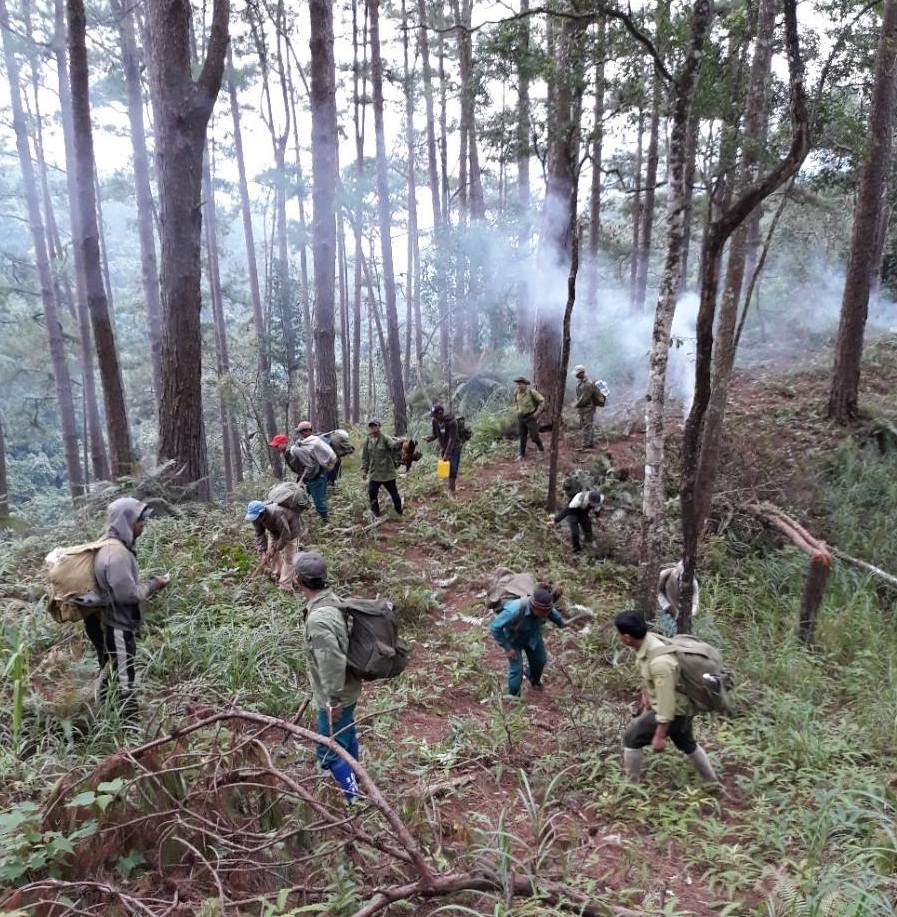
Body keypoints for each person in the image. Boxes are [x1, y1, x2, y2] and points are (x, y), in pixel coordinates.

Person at [613, 611, 719, 787]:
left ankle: (631, 787)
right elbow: (647, 675)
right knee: (687, 743)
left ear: (627, 637)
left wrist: (660, 735)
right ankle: (713, 783)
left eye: (619, 634)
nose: (618, 637)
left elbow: (667, 704)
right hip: (681, 707)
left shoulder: (661, 664)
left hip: (675, 711)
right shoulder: (648, 641)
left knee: (631, 739)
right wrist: (646, 694)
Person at [293, 551, 362, 804]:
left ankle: (354, 798)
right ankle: (356, 777)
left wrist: (333, 701)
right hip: (348, 688)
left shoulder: (319, 619)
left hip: (335, 695)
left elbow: (330, 662)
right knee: (347, 735)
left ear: (298, 580)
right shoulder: (331, 600)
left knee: (329, 752)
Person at [94, 497, 171, 719]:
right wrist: (156, 584)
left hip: (115, 622)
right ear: (124, 521)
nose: (142, 525)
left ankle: (106, 715)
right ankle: (129, 727)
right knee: (124, 677)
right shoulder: (116, 554)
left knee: (115, 670)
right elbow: (127, 594)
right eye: (139, 520)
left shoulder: (112, 546)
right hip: (117, 625)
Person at [490, 585, 566, 697]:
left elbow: (552, 613)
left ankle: (533, 679)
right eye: (542, 613)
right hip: (513, 640)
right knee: (516, 670)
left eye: (546, 612)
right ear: (533, 606)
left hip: (534, 638)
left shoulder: (546, 608)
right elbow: (495, 627)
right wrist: (507, 648)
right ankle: (514, 696)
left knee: (540, 661)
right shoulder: (515, 610)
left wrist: (560, 622)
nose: (544, 615)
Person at [246, 499, 303, 590]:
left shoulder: (277, 514)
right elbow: (259, 534)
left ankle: (285, 586)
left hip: (291, 531)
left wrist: (275, 548)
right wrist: (264, 552)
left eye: (257, 517)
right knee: (272, 556)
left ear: (262, 513)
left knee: (289, 558)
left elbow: (286, 535)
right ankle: (278, 574)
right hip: (274, 532)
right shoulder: (256, 518)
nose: (256, 520)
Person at [294, 421, 338, 522]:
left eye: (301, 432)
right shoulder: (306, 442)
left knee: (319, 502)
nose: (300, 434)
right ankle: (323, 517)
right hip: (315, 475)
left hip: (318, 475)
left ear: (307, 431)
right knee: (315, 497)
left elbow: (326, 457)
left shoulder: (314, 443)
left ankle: (327, 522)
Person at [360, 419, 403, 517]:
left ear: (379, 427)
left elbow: (393, 446)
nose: (373, 428)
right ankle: (375, 512)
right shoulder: (368, 440)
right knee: (372, 492)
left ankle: (399, 511)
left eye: (375, 426)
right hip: (375, 473)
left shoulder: (385, 438)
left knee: (393, 492)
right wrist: (364, 470)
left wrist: (400, 442)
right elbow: (365, 456)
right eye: (371, 426)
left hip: (387, 472)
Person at [548, 488, 603, 555]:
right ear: (588, 499)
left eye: (594, 504)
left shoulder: (599, 500)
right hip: (573, 511)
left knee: (588, 527)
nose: (593, 505)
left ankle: (590, 544)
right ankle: (576, 551)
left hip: (584, 512)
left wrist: (598, 519)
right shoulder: (579, 499)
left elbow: (597, 511)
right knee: (575, 532)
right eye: (592, 503)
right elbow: (566, 511)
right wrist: (554, 521)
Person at [424, 403, 461, 498]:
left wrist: (447, 454)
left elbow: (451, 439)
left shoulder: (452, 422)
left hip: (455, 447)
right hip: (444, 447)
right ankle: (450, 487)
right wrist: (429, 438)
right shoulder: (435, 421)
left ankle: (451, 491)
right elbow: (435, 434)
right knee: (446, 469)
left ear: (441, 413)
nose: (434, 418)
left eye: (436, 415)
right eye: (433, 416)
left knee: (453, 468)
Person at [658, 561, 699, 626]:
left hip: (681, 610)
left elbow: (695, 602)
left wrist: (689, 614)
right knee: (666, 629)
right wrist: (667, 606)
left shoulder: (693, 584)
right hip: (665, 606)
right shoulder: (664, 575)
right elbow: (658, 593)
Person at [513, 376, 545, 460]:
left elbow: (542, 401)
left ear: (525, 384)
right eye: (517, 384)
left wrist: (537, 413)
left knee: (534, 436)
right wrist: (517, 411)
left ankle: (541, 449)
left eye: (520, 384)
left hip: (530, 416)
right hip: (521, 417)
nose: (518, 386)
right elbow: (516, 403)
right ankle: (521, 454)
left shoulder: (531, 392)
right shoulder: (516, 392)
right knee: (522, 436)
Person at [572, 364, 599, 450]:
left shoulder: (588, 384)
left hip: (588, 408)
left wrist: (575, 405)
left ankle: (586, 445)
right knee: (585, 426)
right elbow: (579, 396)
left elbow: (584, 398)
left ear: (582, 373)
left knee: (588, 426)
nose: (575, 375)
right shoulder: (579, 382)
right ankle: (589, 443)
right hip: (583, 408)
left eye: (577, 373)